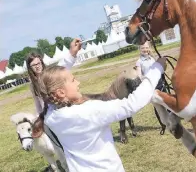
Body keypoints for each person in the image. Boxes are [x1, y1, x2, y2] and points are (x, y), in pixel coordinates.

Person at [32, 56, 167, 172]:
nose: (78, 83)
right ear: (61, 93)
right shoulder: (90, 111)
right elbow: (131, 104)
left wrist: (71, 56)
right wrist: (157, 68)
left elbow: (49, 86)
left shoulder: (51, 117)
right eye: (73, 80)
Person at [26, 38, 82, 115]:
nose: (37, 66)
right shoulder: (33, 85)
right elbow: (38, 103)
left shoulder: (50, 75)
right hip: (49, 114)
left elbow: (63, 65)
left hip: (63, 109)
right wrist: (40, 117)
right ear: (30, 67)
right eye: (34, 65)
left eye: (38, 63)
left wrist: (73, 52)